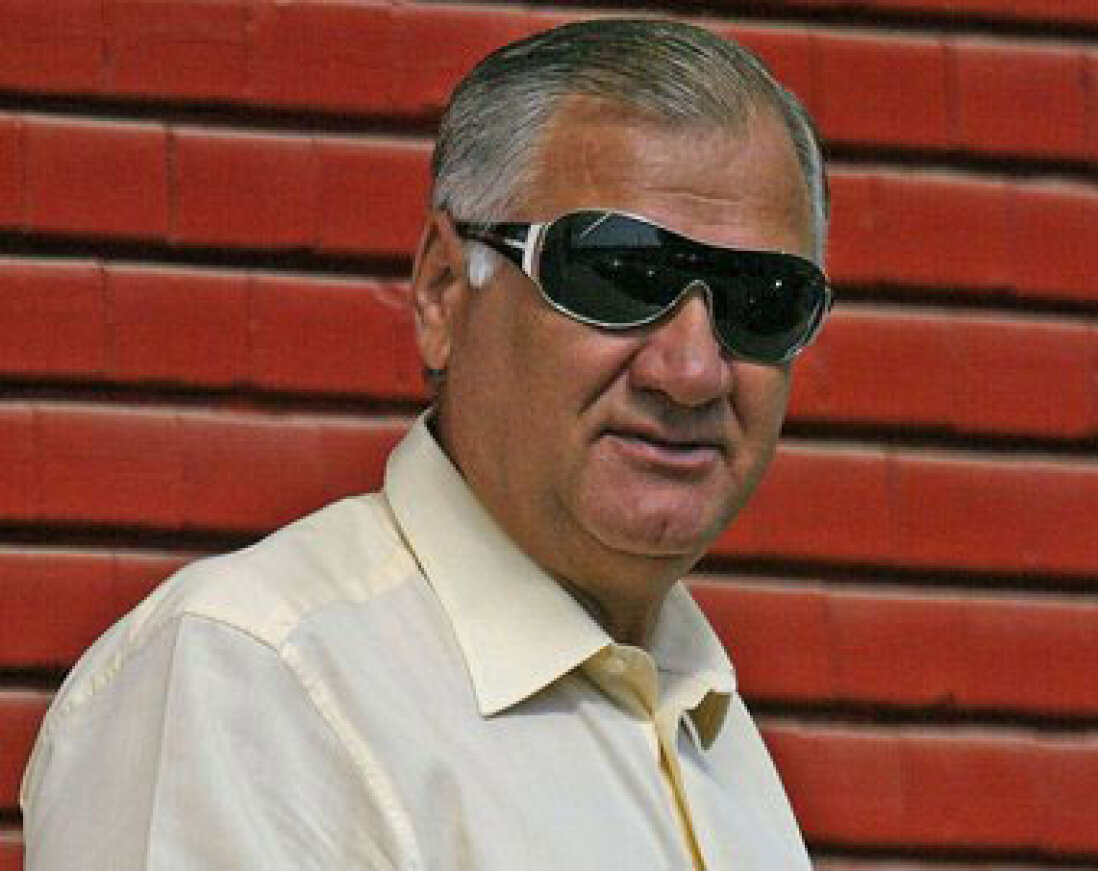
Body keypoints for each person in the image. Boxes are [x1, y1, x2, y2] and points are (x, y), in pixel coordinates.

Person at [21, 17, 832, 869]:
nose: (692, 370)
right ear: (444, 288)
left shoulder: (703, 717)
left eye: (765, 299)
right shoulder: (251, 681)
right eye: (619, 273)